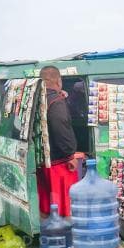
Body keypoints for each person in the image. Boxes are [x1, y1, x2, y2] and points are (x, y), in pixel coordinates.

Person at [37, 66, 80, 218]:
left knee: (46, 203)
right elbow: (60, 128)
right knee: (64, 203)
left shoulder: (37, 99)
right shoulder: (56, 102)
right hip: (59, 163)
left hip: (42, 160)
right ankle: (65, 228)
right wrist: (70, 155)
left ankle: (48, 228)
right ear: (58, 81)